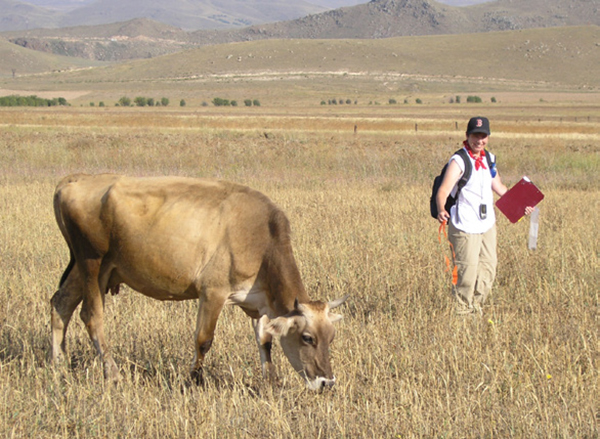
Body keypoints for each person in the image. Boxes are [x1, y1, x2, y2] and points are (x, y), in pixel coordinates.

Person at [436, 116, 533, 315]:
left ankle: (476, 309)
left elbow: (499, 188)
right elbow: (443, 191)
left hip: (487, 224)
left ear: (488, 137)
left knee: (488, 269)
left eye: (483, 136)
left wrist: (522, 205)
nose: (479, 140)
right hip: (464, 225)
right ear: (467, 136)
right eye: (475, 135)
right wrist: (440, 209)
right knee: (467, 272)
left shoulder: (489, 159)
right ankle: (462, 314)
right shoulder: (459, 160)